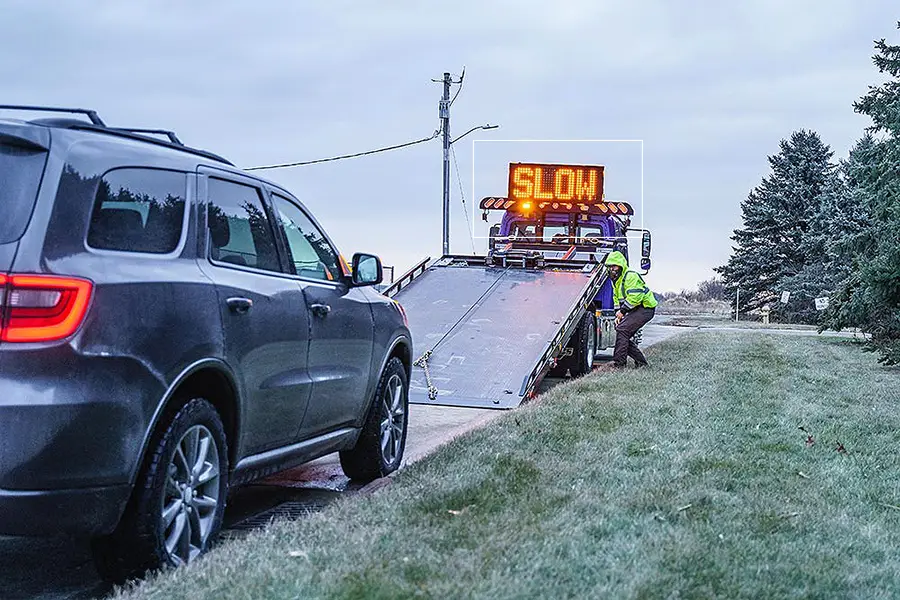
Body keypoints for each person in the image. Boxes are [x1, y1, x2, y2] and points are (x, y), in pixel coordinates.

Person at [604, 250, 657, 368]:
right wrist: (617, 314)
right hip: (635, 309)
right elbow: (616, 299)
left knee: (622, 330)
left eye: (614, 266)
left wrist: (622, 312)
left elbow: (636, 297)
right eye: (610, 267)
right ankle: (641, 363)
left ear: (621, 266)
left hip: (645, 308)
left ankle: (619, 364)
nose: (612, 269)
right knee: (623, 332)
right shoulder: (616, 281)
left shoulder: (630, 276)